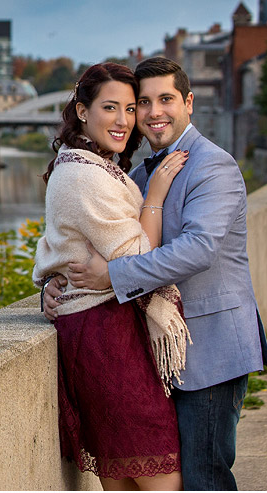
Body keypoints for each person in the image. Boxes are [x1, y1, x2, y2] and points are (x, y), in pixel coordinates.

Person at [44, 56, 267, 491]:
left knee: (205, 476)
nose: (150, 114)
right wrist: (56, 287)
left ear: (188, 102)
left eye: (164, 99)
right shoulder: (140, 173)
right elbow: (80, 242)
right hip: (156, 353)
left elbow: (198, 249)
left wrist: (115, 275)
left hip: (210, 347)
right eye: (140, 103)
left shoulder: (212, 165)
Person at [34, 62, 191, 491]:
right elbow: (140, 257)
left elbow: (62, 248)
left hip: (92, 333)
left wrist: (51, 283)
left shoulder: (89, 165)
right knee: (161, 476)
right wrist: (155, 195)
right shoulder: (87, 175)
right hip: (109, 337)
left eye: (129, 107)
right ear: (82, 111)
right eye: (110, 108)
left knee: (122, 475)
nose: (123, 120)